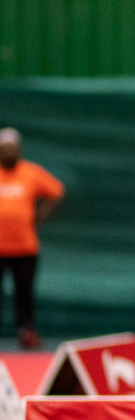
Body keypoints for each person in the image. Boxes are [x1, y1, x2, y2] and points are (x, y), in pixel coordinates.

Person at [0, 128, 65, 349]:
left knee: (24, 293)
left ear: (19, 150)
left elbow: (56, 191)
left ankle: (27, 332)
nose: (9, 153)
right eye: (4, 149)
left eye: (12, 148)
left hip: (24, 247)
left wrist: (41, 215)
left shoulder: (30, 173)